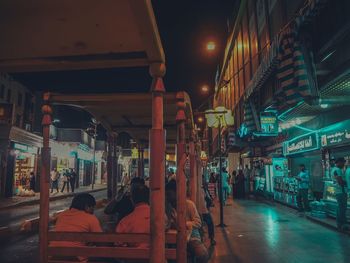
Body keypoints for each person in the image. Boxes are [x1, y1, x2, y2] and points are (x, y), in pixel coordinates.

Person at [50, 193, 102, 262]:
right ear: (87, 207)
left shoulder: (62, 215)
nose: (93, 211)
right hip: (75, 258)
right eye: (92, 208)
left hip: (53, 256)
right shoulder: (91, 218)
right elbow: (101, 242)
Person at [165, 180, 209, 263]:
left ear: (176, 193)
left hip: (191, 237)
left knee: (203, 255)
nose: (167, 197)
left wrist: (183, 224)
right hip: (172, 239)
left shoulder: (189, 204)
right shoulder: (167, 207)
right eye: (166, 194)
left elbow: (198, 222)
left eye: (169, 194)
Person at [116, 184, 150, 248]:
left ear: (132, 200)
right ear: (149, 198)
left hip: (133, 257)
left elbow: (119, 245)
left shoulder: (125, 222)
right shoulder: (161, 217)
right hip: (156, 257)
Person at [331, 157, 348, 231]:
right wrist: (347, 183)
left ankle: (340, 224)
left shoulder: (333, 169)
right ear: (339, 162)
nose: (344, 164)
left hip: (338, 191)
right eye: (343, 162)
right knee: (342, 208)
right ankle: (342, 224)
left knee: (340, 208)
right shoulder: (337, 170)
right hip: (341, 191)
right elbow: (340, 181)